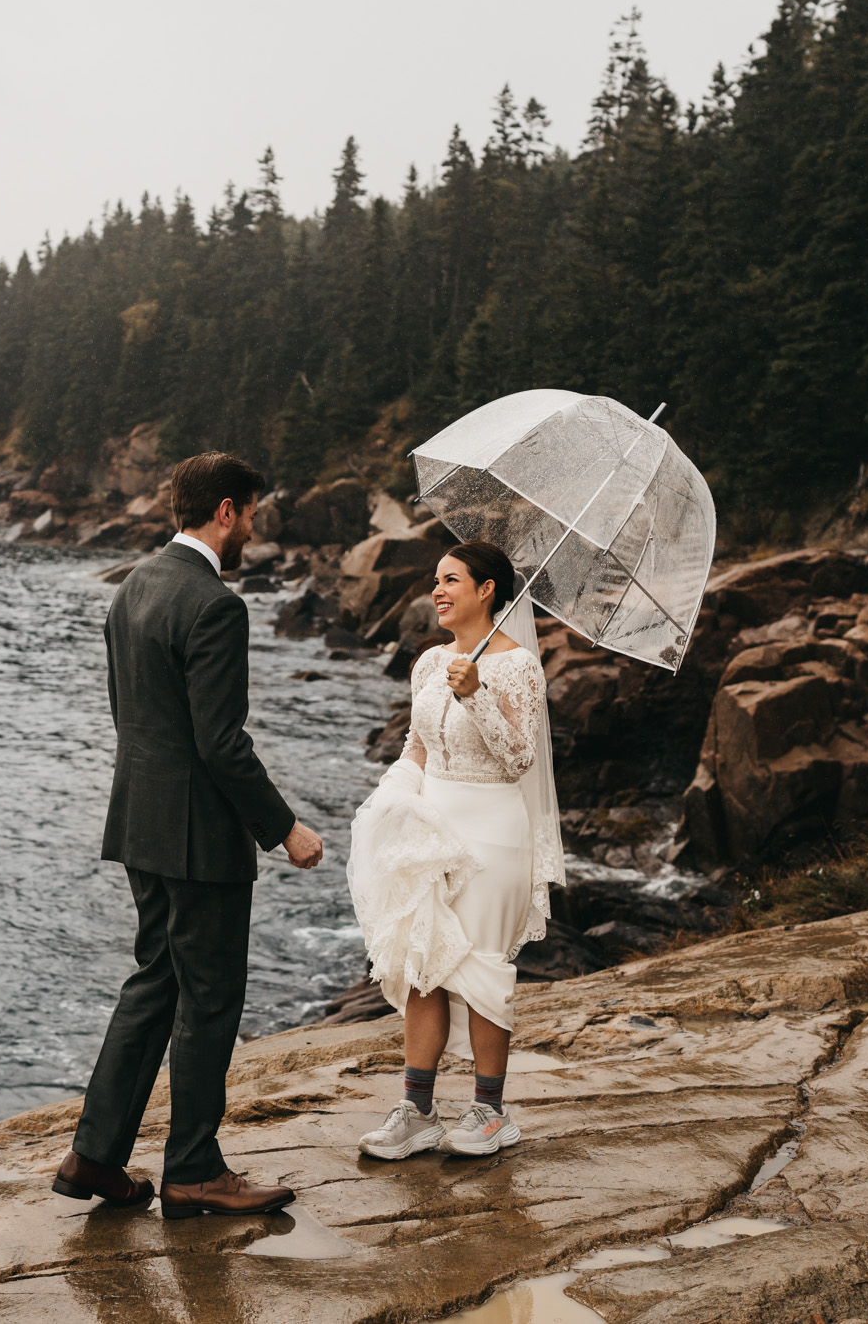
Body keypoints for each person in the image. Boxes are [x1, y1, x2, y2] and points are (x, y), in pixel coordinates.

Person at [53, 451, 326, 1220]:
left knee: (155, 980)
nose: (253, 529)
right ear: (228, 511)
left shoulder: (132, 586)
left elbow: (127, 713)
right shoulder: (215, 604)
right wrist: (284, 829)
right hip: (201, 839)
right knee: (208, 999)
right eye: (253, 513)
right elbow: (221, 743)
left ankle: (95, 1156)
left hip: (140, 821)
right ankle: (195, 1170)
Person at [345, 541, 561, 1159]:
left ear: (487, 589)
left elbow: (520, 758)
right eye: (435, 581)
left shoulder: (518, 666)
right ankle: (417, 1111)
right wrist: (389, 798)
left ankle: (491, 1112)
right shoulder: (429, 662)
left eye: (451, 580)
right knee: (422, 965)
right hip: (429, 831)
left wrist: (476, 695)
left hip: (494, 830)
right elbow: (417, 746)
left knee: (485, 969)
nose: (437, 591)